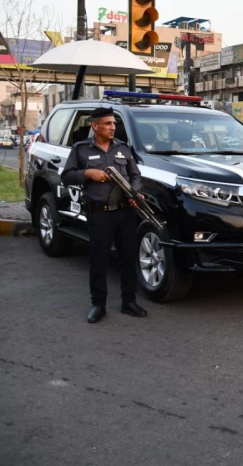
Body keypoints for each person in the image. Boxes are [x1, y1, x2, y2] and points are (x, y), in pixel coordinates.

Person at [61, 108, 148, 324]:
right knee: (98, 260)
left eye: (114, 123)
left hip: (125, 212)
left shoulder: (123, 148)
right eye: (108, 123)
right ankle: (98, 305)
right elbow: (66, 176)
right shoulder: (81, 149)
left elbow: (136, 175)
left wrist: (134, 192)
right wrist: (87, 173)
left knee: (128, 258)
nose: (113, 127)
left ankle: (129, 302)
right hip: (100, 214)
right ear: (95, 126)